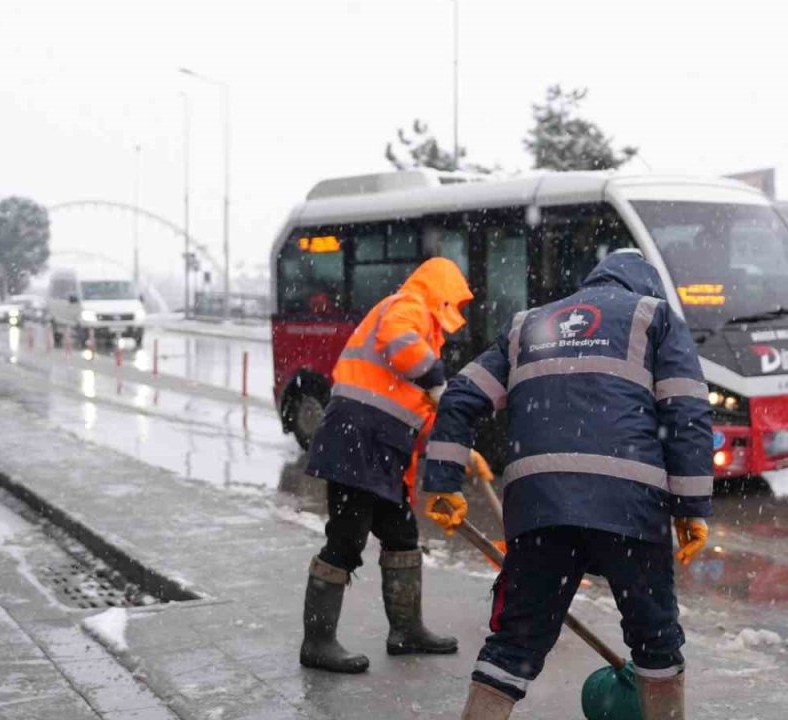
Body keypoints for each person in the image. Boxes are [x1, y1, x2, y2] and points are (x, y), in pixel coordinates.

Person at [422, 249, 713, 719]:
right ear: (647, 286)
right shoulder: (653, 315)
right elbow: (687, 413)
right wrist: (691, 507)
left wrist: (443, 481)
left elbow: (460, 395)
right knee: (655, 639)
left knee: (515, 641)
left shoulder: (530, 324)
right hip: (630, 507)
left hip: (540, 508)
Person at [300, 257, 475, 674]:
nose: (460, 313)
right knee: (346, 539)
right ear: (442, 291)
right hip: (355, 438)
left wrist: (452, 446)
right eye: (457, 302)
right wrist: (435, 377)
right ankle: (317, 642)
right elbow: (400, 344)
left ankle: (406, 630)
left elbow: (416, 415)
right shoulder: (408, 305)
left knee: (401, 534)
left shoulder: (426, 330)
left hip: (379, 446)